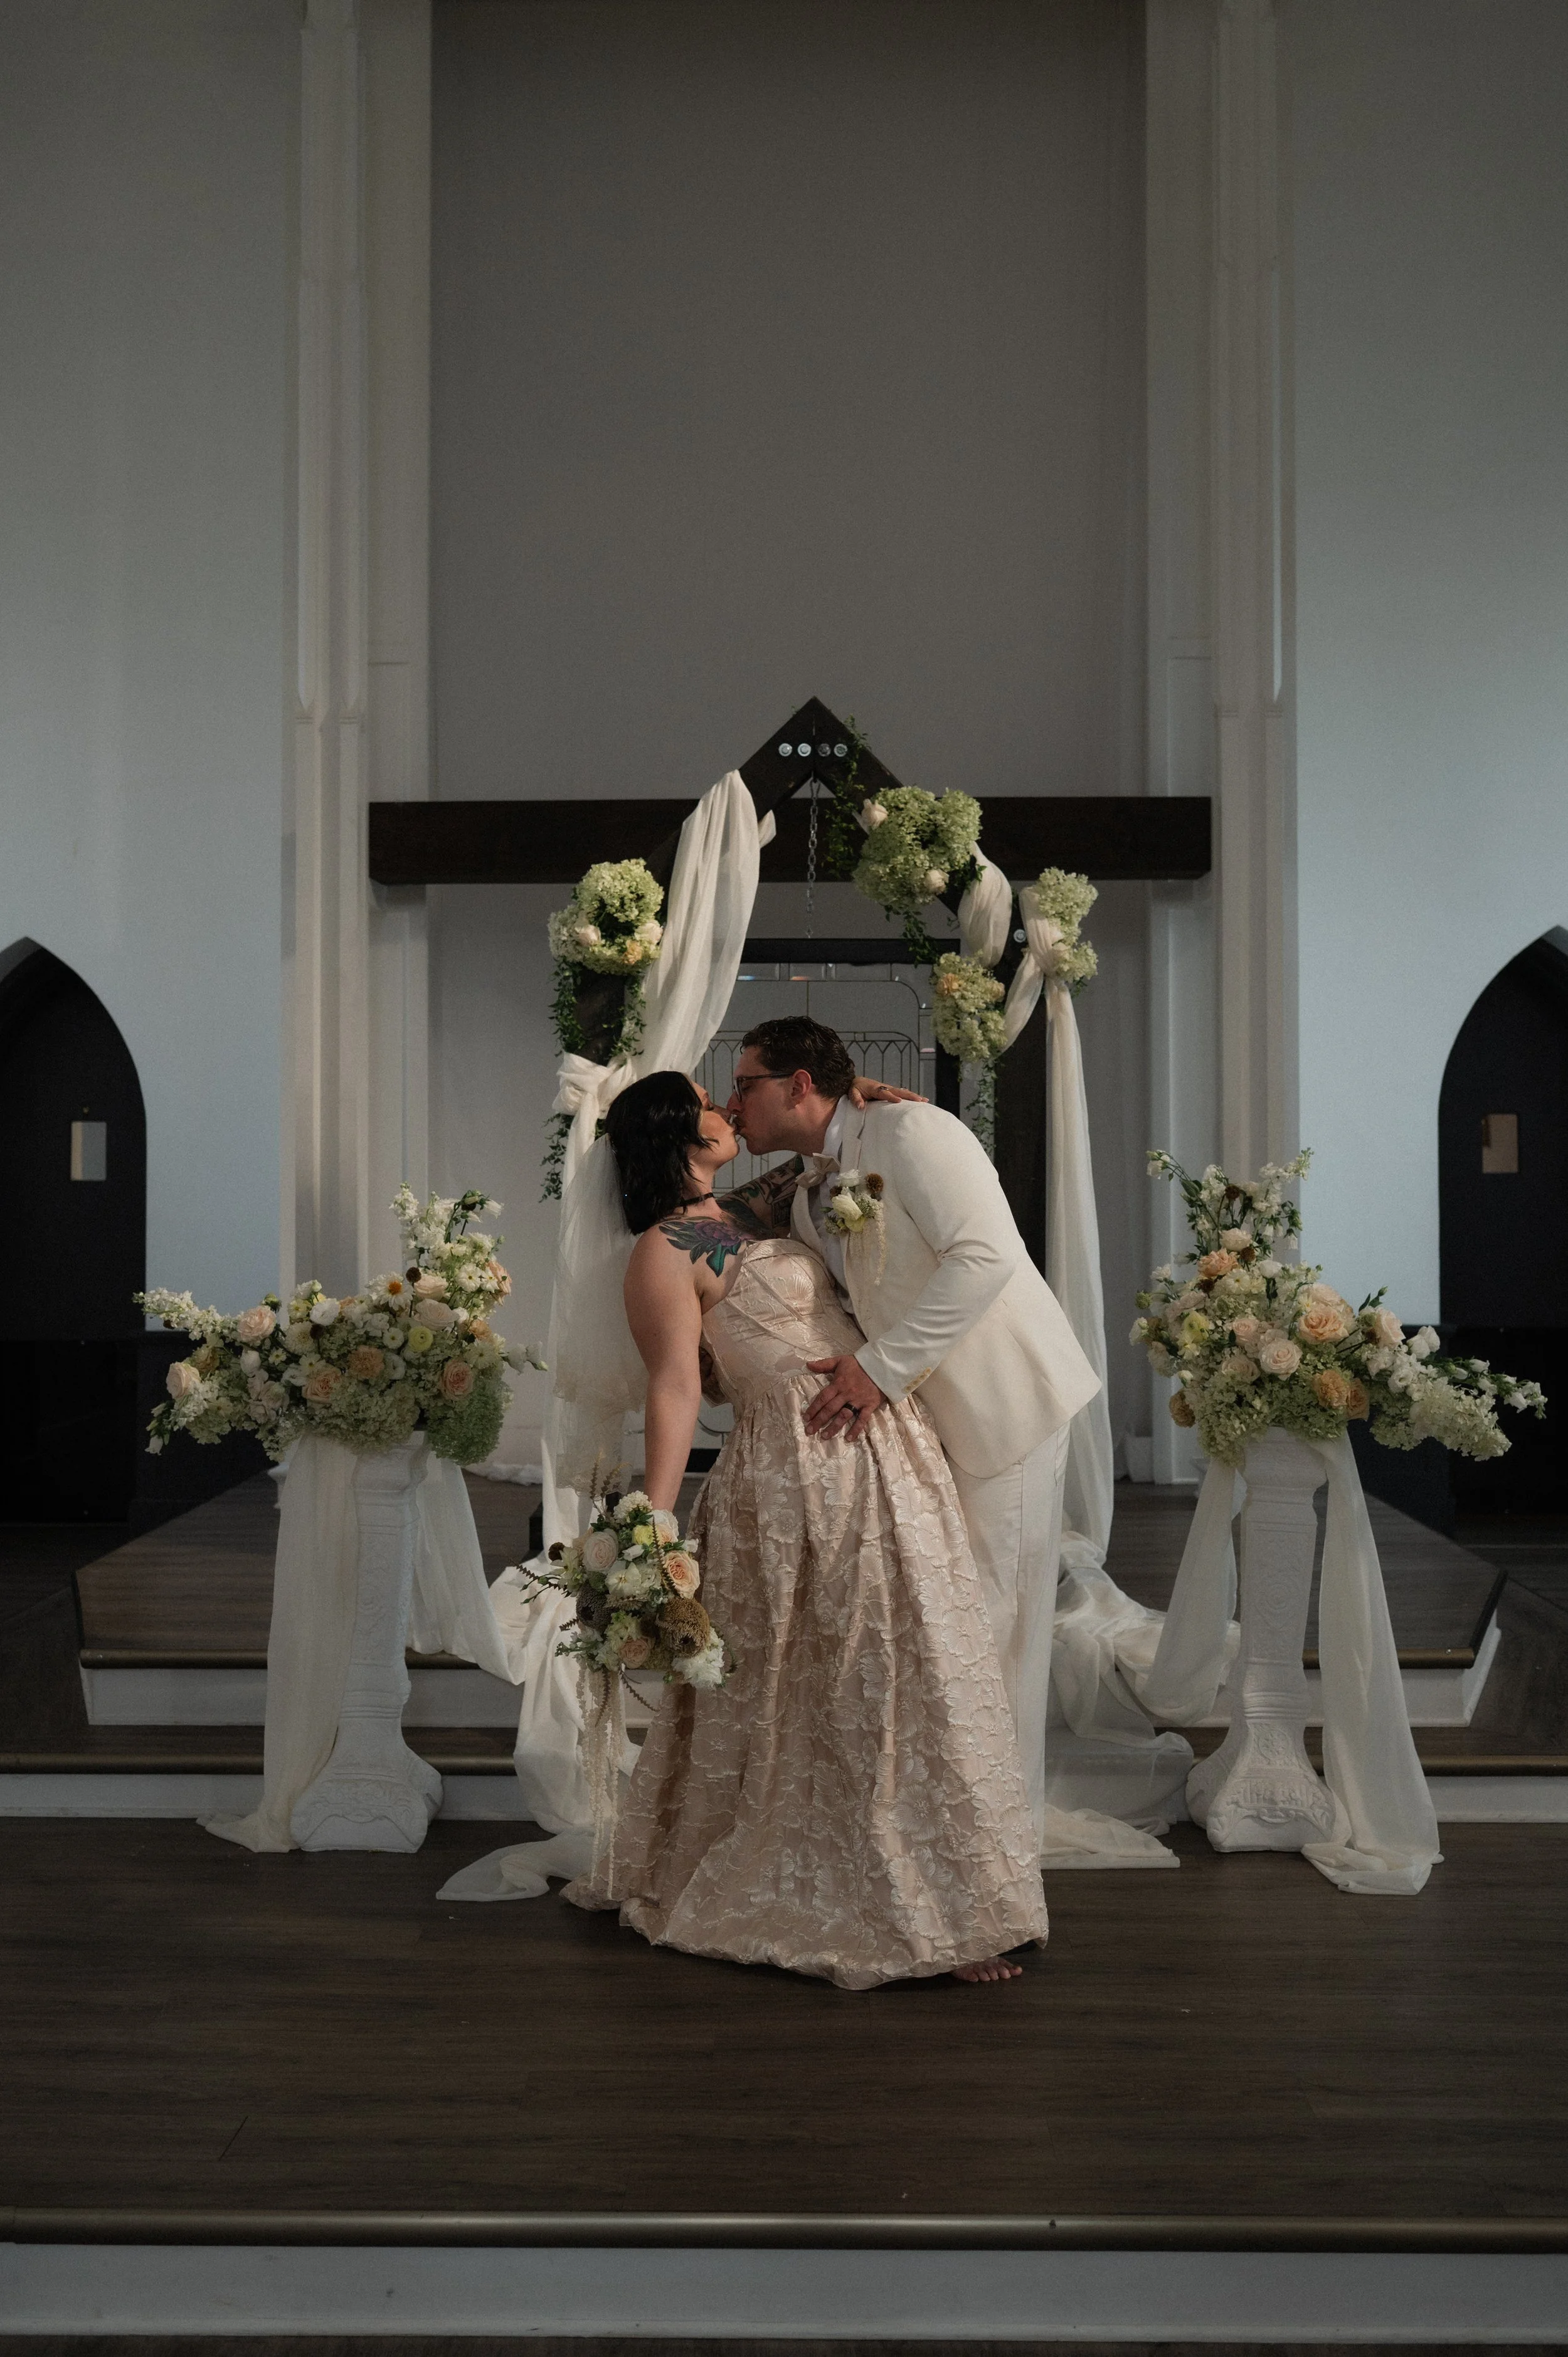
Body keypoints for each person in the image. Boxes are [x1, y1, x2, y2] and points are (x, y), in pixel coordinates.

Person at [561, 1067, 1050, 1991]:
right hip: (790, 1463)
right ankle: (883, 1903)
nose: (725, 1110)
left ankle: (944, 1894)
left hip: (882, 1439)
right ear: (678, 1131)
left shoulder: (728, 1215)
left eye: (731, 1093)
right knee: (835, 1665)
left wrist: (849, 1093)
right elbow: (674, 1386)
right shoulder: (660, 1253)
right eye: (709, 1102)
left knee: (910, 1658)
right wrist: (654, 1529)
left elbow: (813, 1157)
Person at [723, 1016, 1100, 1856]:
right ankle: (958, 1835)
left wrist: (880, 1371)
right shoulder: (813, 1174)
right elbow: (709, 1223)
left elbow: (986, 1255)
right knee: (954, 1622)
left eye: (745, 1082)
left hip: (1007, 1404)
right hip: (930, 1427)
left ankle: (1001, 1847)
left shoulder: (916, 1129)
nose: (731, 1099)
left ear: (796, 1084)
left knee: (997, 1623)